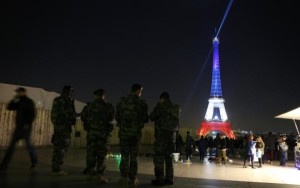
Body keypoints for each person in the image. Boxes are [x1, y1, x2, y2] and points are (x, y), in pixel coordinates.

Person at [115, 84, 149, 186]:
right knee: (134, 157)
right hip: (135, 135)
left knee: (124, 156)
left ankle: (123, 178)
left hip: (124, 133)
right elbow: (145, 118)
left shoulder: (122, 101)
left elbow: (117, 116)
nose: (141, 93)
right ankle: (133, 179)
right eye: (141, 91)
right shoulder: (141, 103)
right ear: (138, 91)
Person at [80, 89, 115, 183]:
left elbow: (83, 117)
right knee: (102, 155)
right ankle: (99, 176)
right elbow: (111, 118)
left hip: (91, 134)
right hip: (103, 135)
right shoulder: (108, 106)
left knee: (91, 154)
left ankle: (90, 174)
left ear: (95, 96)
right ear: (104, 96)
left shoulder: (89, 106)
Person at [0, 87, 37, 171]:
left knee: (29, 146)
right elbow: (9, 107)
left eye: (19, 92)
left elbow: (32, 114)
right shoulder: (19, 101)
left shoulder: (29, 101)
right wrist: (14, 99)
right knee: (11, 147)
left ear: (23, 92)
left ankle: (34, 161)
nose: (17, 94)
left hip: (26, 129)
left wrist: (27, 124)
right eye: (17, 92)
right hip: (18, 128)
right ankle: (4, 165)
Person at [150, 92, 180, 186]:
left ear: (162, 99)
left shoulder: (160, 107)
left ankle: (160, 180)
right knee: (169, 159)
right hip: (172, 138)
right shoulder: (176, 107)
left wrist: (158, 106)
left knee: (159, 159)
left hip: (161, 138)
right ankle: (170, 179)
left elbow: (152, 117)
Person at [51, 85, 77, 176]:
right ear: (67, 92)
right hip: (63, 128)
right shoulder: (64, 101)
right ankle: (57, 169)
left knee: (60, 148)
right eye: (71, 92)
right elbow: (64, 114)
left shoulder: (59, 100)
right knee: (61, 148)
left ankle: (56, 167)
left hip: (61, 128)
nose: (71, 94)